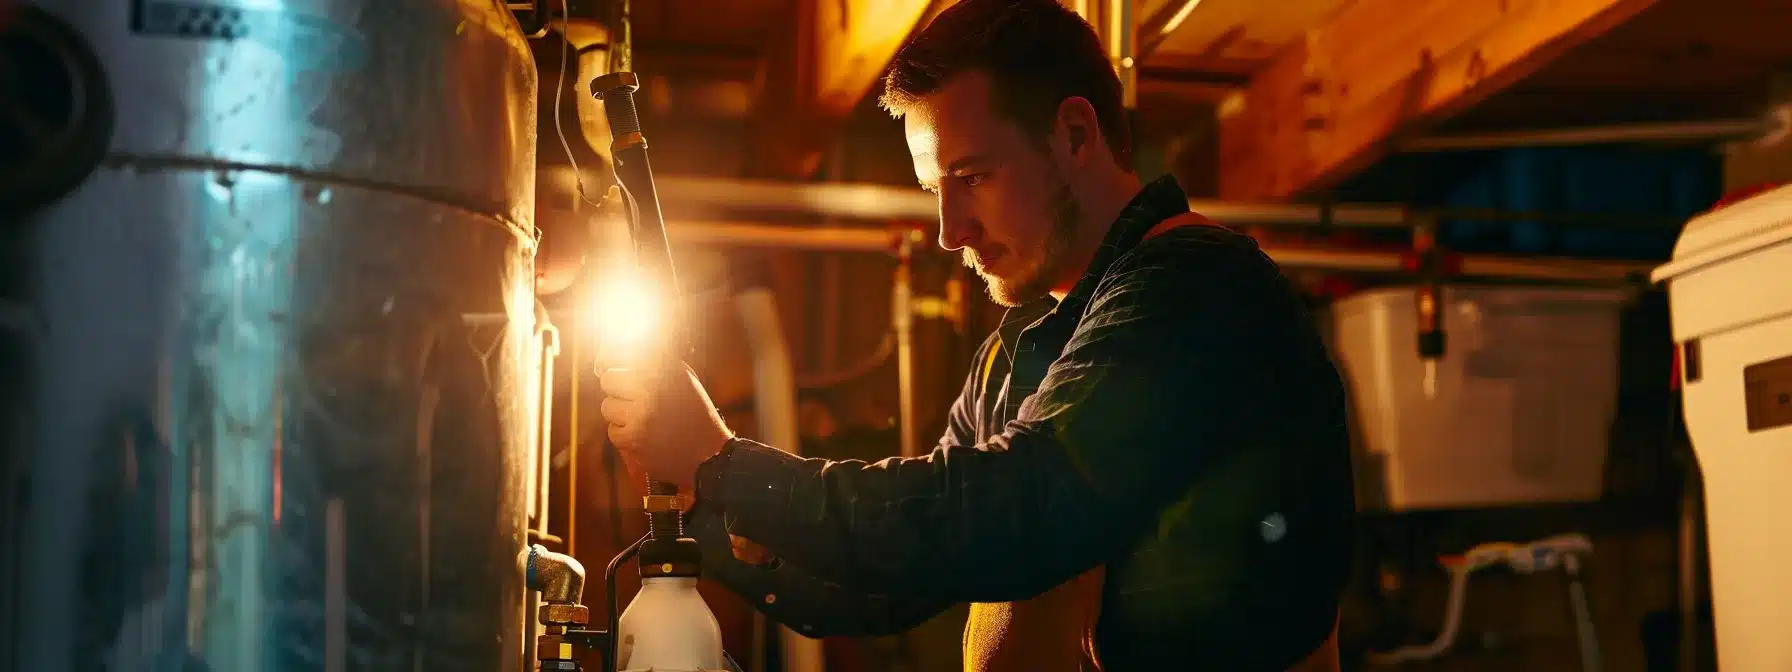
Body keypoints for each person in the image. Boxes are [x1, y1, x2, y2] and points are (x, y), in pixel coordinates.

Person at [597, 0, 1357, 669]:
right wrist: (700, 501)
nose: (948, 230)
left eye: (973, 178)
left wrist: (727, 466)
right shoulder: (1018, 351)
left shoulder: (1193, 286)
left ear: (1074, 134)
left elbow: (1014, 510)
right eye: (936, 189)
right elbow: (896, 578)